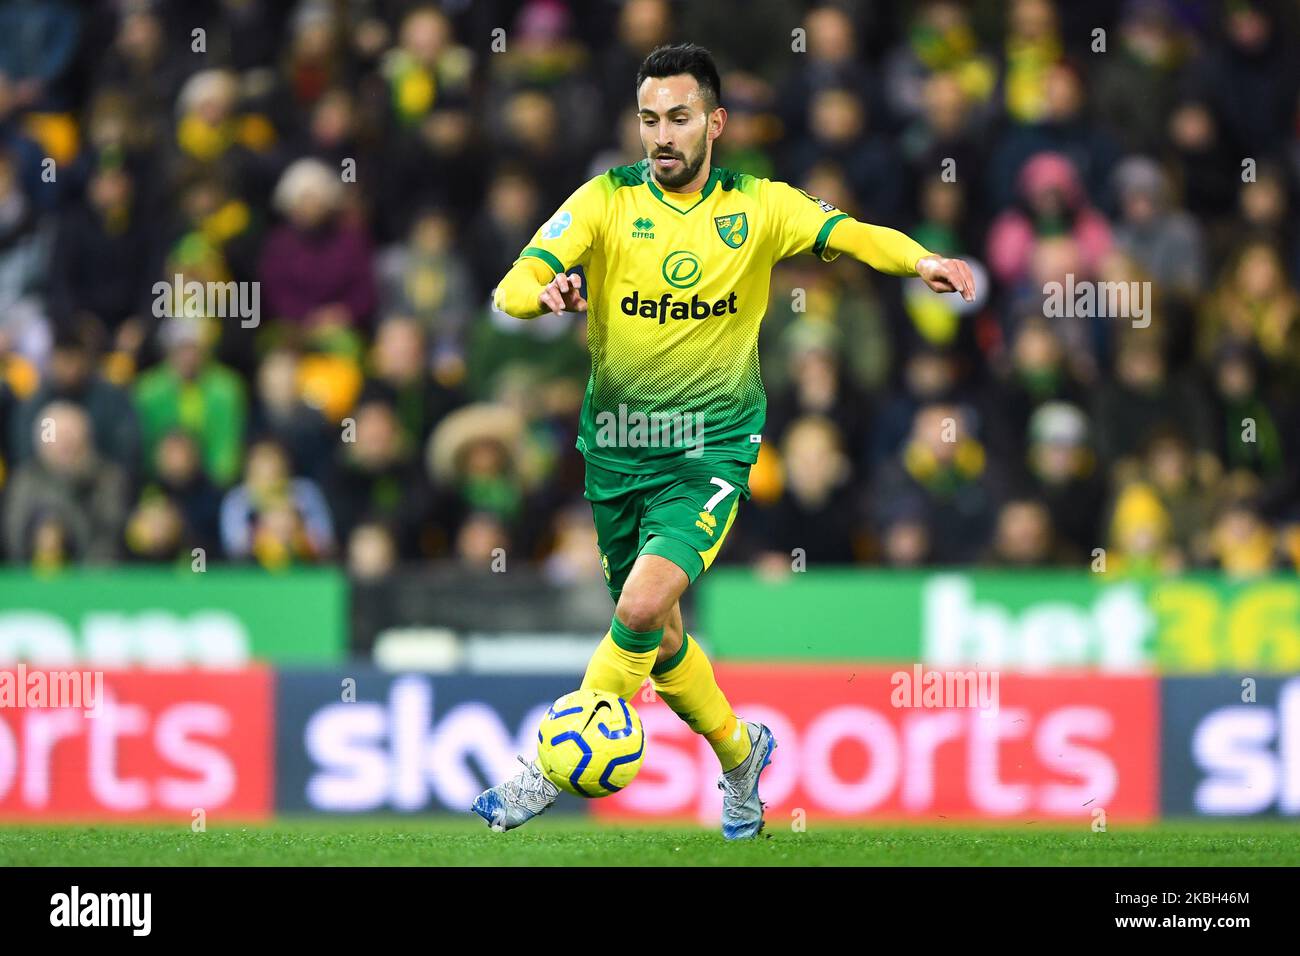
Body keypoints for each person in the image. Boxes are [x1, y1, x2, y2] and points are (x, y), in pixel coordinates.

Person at [475, 43, 975, 839]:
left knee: (640, 604)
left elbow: (851, 235)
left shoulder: (762, 206)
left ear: (715, 123)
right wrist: (549, 294)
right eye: (648, 120)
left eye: (677, 118)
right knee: (660, 637)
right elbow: (511, 284)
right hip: (616, 449)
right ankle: (742, 758)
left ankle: (551, 763)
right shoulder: (605, 201)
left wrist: (923, 261)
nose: (661, 136)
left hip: (710, 449)